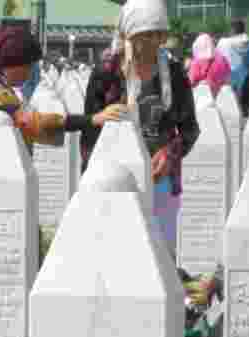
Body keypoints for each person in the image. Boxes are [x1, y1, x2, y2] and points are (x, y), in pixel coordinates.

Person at [0, 26, 125, 236]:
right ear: (9, 64)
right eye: (28, 65)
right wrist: (92, 119)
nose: (31, 72)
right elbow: (34, 123)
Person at [81, 0, 200, 259]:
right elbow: (90, 134)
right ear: (129, 35)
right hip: (115, 182)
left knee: (160, 256)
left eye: (160, 34)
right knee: (116, 256)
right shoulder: (106, 74)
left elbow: (189, 128)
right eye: (147, 35)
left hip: (160, 180)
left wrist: (171, 153)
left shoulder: (175, 74)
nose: (155, 42)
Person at [217, 19, 249, 117]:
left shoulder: (223, 43)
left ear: (232, 30)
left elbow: (217, 59)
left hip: (229, 79)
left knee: (233, 113)